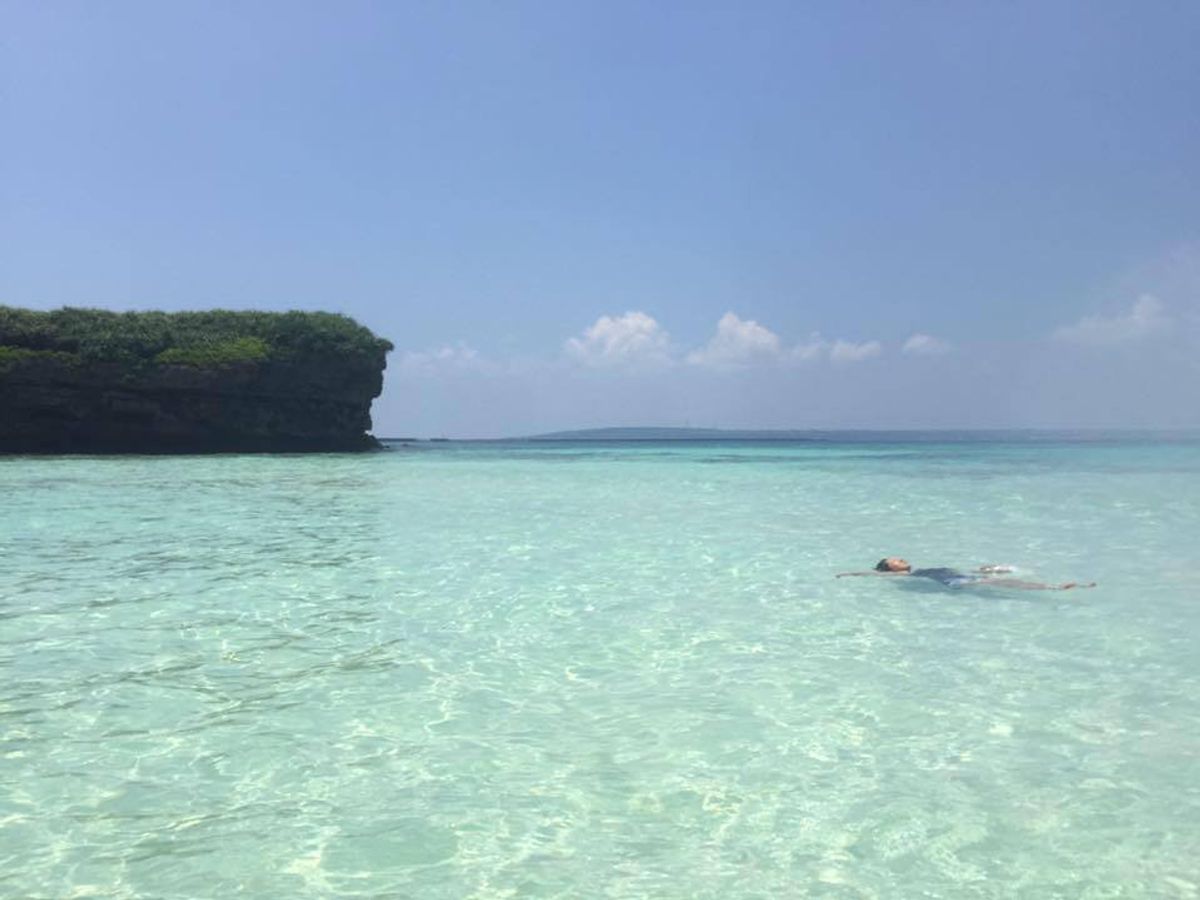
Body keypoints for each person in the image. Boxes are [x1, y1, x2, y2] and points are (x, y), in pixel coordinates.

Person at [836, 557, 1095, 591]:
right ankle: (1053, 588)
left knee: (992, 573)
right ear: (888, 569)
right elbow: (873, 575)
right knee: (997, 582)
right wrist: (850, 574)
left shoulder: (919, 569)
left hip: (957, 576)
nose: (900, 559)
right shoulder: (903, 576)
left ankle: (1052, 586)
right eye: (894, 560)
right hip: (952, 581)